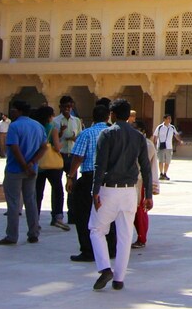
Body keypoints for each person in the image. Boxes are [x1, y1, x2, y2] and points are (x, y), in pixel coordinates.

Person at [89, 99, 152, 291]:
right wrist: (148, 194)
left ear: (112, 115)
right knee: (125, 235)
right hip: (129, 191)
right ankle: (119, 279)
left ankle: (104, 267)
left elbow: (100, 165)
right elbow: (146, 168)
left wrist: (95, 190)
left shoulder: (107, 133)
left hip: (109, 188)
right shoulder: (138, 136)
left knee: (97, 229)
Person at [67, 104, 115, 263]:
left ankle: (88, 250)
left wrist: (70, 176)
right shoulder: (114, 133)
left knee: (84, 215)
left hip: (90, 177)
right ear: (108, 116)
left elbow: (78, 157)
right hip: (110, 179)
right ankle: (111, 248)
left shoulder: (86, 134)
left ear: (93, 117)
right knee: (110, 214)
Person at [0, 100, 47, 246]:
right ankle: (33, 233)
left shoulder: (15, 126)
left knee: (13, 203)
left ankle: (12, 235)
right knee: (30, 201)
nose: (11, 112)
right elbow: (44, 147)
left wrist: (24, 165)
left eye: (13, 110)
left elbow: (15, 148)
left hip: (15, 169)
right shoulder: (38, 126)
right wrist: (32, 163)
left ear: (18, 111)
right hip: (32, 169)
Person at [33, 105, 69, 231]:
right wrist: (62, 142)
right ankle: (57, 217)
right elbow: (57, 147)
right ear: (49, 116)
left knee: (37, 192)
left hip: (38, 162)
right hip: (52, 164)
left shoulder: (35, 127)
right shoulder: (52, 127)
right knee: (57, 190)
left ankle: (34, 220)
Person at [131, 119, 159, 249]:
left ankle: (141, 237)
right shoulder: (136, 142)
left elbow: (144, 166)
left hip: (140, 181)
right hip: (133, 181)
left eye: (135, 128)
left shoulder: (146, 145)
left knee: (140, 210)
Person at [152, 115, 182, 181]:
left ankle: (165, 173)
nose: (169, 120)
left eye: (170, 119)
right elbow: (155, 136)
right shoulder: (159, 127)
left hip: (169, 146)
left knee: (167, 161)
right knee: (161, 160)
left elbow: (176, 134)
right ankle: (161, 173)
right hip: (161, 146)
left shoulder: (172, 127)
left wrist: (179, 141)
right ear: (164, 119)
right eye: (168, 118)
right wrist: (154, 144)